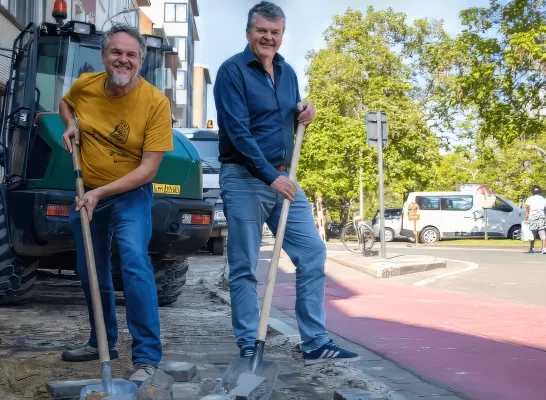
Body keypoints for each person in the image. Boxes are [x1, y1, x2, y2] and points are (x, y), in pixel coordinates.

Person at [214, 1, 360, 366]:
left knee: (312, 252)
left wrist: (304, 110)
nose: (268, 37)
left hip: (285, 177)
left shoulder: (288, 72)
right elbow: (238, 132)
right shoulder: (231, 72)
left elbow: (288, 113)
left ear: (282, 35)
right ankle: (249, 341)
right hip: (246, 178)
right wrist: (271, 176)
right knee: (245, 265)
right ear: (249, 32)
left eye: (275, 32)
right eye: (262, 30)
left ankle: (315, 342)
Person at [58, 24, 174, 382]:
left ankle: (146, 357)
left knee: (134, 262)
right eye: (117, 53)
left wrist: (101, 193)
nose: (124, 60)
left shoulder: (155, 103)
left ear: (141, 60)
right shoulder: (86, 86)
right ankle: (102, 342)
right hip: (87, 188)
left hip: (129, 194)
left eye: (131, 55)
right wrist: (70, 125)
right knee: (89, 268)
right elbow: (65, 103)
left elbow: (149, 169)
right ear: (104, 56)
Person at [523, 185, 546, 253]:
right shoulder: (542, 199)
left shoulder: (530, 199)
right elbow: (545, 209)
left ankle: (532, 248)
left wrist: (525, 219)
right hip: (541, 216)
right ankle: (544, 248)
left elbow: (527, 210)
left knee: (532, 233)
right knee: (542, 232)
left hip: (532, 216)